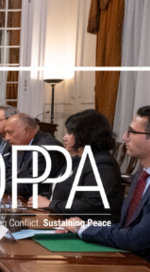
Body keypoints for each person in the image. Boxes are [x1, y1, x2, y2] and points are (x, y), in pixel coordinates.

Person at [59, 106, 150, 260]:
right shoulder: (141, 175)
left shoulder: (103, 163)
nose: (124, 137)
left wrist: (83, 228)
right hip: (127, 257)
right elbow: (125, 227)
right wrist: (86, 227)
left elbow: (137, 239)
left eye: (131, 132)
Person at [27, 110, 123, 222]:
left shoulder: (102, 164)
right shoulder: (77, 159)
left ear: (84, 135)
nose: (64, 137)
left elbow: (91, 205)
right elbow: (59, 190)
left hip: (87, 227)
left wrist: (51, 204)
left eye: (69, 133)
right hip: (60, 219)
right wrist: (42, 199)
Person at [3, 113, 66, 200]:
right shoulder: (22, 145)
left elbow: (28, 186)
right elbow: (10, 174)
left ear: (26, 131)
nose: (6, 138)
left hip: (41, 203)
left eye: (10, 133)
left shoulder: (47, 148)